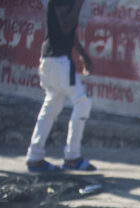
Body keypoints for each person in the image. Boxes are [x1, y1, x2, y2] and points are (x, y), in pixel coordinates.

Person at [25, 0, 95, 172]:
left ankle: (35, 156)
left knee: (52, 105)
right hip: (57, 61)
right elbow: (65, 26)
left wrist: (83, 55)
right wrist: (78, 4)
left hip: (54, 60)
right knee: (82, 102)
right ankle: (72, 156)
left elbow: (68, 31)